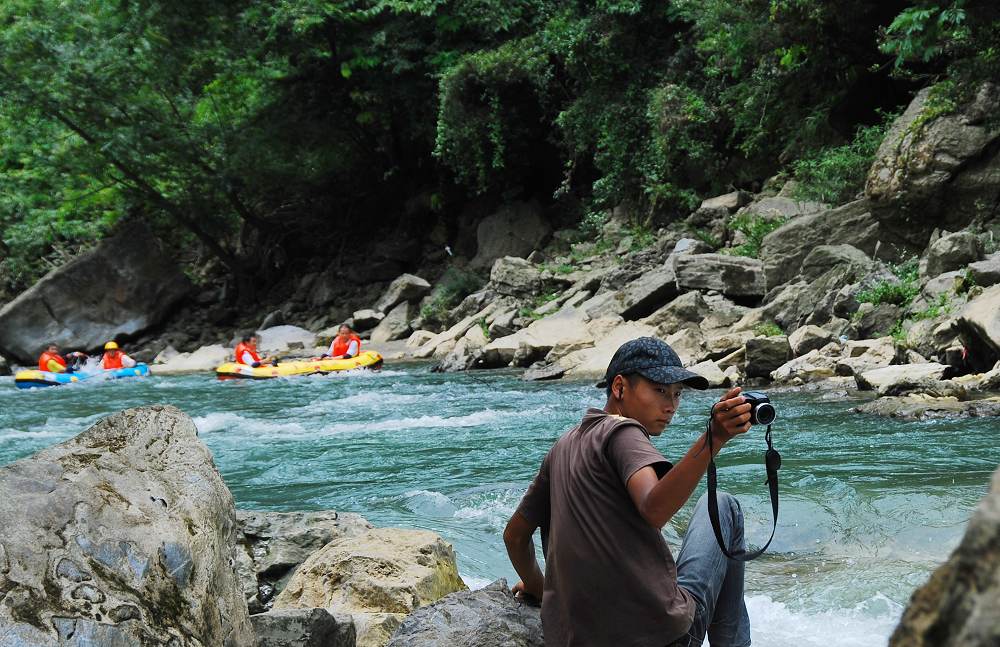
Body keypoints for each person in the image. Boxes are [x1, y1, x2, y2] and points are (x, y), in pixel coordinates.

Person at [503, 336, 755, 647]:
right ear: (620, 387)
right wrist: (713, 438)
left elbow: (514, 536)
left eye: (677, 395)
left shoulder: (562, 446)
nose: (670, 406)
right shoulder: (623, 430)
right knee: (723, 505)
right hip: (658, 639)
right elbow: (654, 509)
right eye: (659, 390)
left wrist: (538, 588)